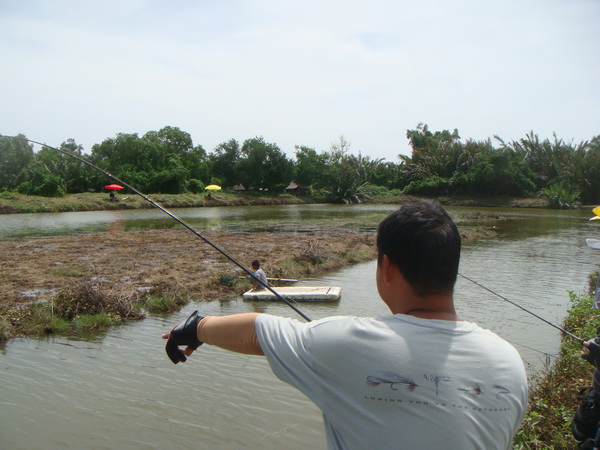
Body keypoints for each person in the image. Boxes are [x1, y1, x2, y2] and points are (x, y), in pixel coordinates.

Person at [163, 200, 528, 449]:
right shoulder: (510, 363)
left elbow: (257, 331)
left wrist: (195, 327)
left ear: (387, 267)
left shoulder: (348, 343)